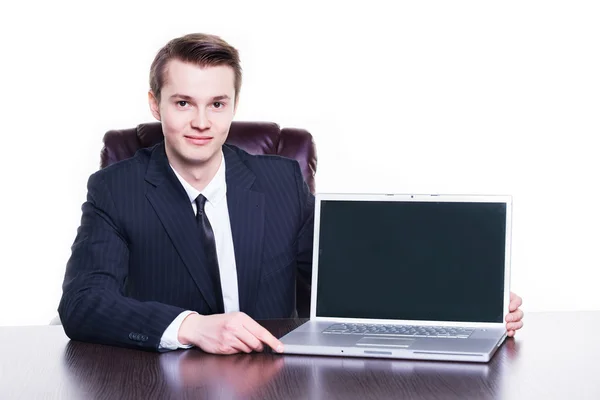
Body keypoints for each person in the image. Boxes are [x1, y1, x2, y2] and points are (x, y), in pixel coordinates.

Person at [58, 33, 524, 354]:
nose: (202, 121)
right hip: (165, 379)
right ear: (155, 103)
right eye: (183, 103)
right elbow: (81, 304)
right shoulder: (115, 189)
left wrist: (466, 305)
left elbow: (349, 279)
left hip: (277, 376)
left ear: (233, 106)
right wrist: (191, 326)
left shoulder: (281, 181)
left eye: (217, 104)